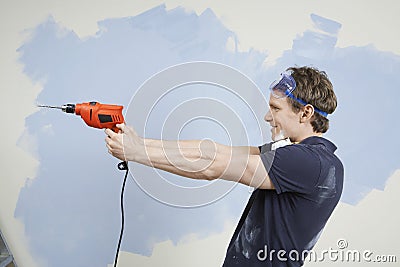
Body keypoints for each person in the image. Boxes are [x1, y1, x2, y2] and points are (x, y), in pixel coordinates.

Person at [105, 66, 344, 266]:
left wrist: (138, 153)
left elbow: (211, 166)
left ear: (306, 113)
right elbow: (214, 151)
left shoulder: (309, 162)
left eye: (276, 109)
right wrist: (139, 144)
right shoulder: (301, 157)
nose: (268, 117)